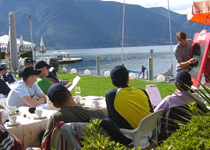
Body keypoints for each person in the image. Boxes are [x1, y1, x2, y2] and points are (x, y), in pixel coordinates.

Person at [42, 83, 107, 143]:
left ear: (55, 105)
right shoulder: (98, 112)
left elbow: (45, 143)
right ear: (70, 93)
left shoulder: (56, 118)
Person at [105, 65, 153, 129]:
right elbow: (151, 111)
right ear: (128, 78)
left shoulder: (111, 95)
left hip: (130, 134)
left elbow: (113, 119)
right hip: (149, 130)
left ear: (112, 81)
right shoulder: (142, 91)